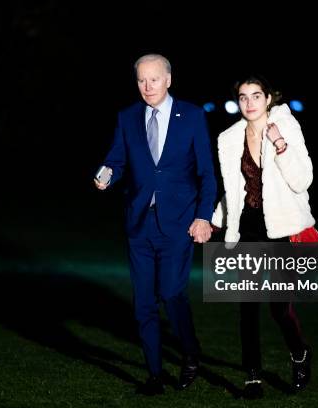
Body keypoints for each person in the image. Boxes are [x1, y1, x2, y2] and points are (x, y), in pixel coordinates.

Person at [94, 54, 217, 395]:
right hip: (139, 224)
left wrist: (203, 215)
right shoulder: (127, 117)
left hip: (178, 223)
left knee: (171, 293)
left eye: (154, 79)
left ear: (168, 80)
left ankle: (191, 351)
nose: (147, 87)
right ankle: (154, 375)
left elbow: (206, 172)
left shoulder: (191, 116)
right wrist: (107, 174)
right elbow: (116, 159)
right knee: (144, 303)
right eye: (141, 80)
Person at [211, 74, 318, 398]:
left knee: (278, 308)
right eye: (243, 97)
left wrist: (280, 145)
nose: (249, 103)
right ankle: (252, 375)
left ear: (269, 98)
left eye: (256, 96)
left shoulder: (286, 127)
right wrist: (213, 220)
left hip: (282, 228)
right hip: (249, 228)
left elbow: (303, 181)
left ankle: (299, 353)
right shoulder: (230, 139)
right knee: (248, 304)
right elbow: (234, 189)